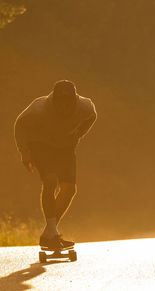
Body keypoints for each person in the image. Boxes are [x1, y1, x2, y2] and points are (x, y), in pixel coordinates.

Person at [14, 80, 97, 249]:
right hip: (40, 144)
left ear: (74, 100)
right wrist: (25, 153)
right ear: (54, 101)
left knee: (69, 189)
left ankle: (49, 233)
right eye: (61, 104)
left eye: (69, 104)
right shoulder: (39, 109)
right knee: (50, 181)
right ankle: (51, 233)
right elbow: (19, 126)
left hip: (65, 145)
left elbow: (92, 116)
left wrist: (79, 133)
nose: (65, 108)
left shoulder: (85, 106)